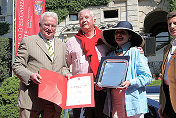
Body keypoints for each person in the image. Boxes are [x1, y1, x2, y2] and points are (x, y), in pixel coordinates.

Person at [12, 12, 69, 118]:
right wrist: (30, 75)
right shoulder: (28, 41)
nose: (49, 28)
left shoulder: (62, 45)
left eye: (53, 26)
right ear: (40, 25)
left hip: (53, 100)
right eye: (46, 25)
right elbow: (17, 66)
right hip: (32, 98)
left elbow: (63, 67)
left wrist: (67, 74)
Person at [100, 21, 152, 118]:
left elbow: (147, 77)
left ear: (129, 36)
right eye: (117, 32)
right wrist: (101, 85)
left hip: (134, 103)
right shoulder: (110, 56)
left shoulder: (136, 53)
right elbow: (107, 78)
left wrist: (130, 82)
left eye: (123, 32)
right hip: (115, 103)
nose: (119, 35)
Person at [66, 9, 110, 118]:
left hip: (101, 89)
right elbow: (64, 65)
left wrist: (137, 49)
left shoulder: (105, 40)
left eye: (86, 17)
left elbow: (118, 54)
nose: (84, 20)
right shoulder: (72, 42)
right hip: (80, 90)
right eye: (81, 18)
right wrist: (67, 74)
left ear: (94, 20)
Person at [158, 10, 176, 118]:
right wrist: (161, 103)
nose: (172, 26)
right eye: (170, 24)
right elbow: (164, 77)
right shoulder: (167, 48)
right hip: (167, 98)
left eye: (175, 23)